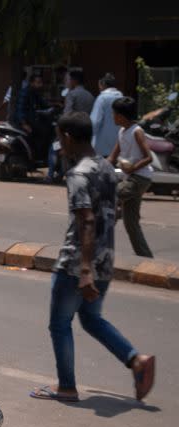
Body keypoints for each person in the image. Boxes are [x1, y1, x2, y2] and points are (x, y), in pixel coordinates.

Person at [30, 112, 155, 404]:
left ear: (69, 138)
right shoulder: (106, 168)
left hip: (77, 262)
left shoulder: (78, 173)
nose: (60, 145)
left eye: (61, 138)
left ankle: (67, 387)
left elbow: (86, 220)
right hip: (105, 259)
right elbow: (113, 212)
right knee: (90, 318)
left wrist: (84, 270)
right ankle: (136, 360)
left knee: (59, 324)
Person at [108, 97, 155, 258]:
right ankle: (146, 258)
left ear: (121, 116)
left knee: (109, 196)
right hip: (130, 178)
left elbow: (149, 157)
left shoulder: (136, 131)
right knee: (131, 224)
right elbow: (112, 157)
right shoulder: (122, 131)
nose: (112, 116)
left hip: (139, 178)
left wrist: (132, 167)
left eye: (114, 114)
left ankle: (100, 241)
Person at [90, 73, 124, 157]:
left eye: (99, 85)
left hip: (102, 147)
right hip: (118, 146)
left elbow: (94, 122)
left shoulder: (102, 98)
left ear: (103, 84)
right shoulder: (121, 97)